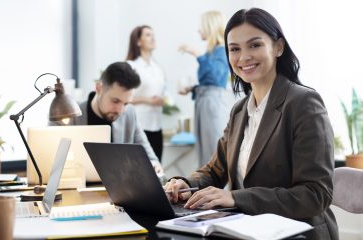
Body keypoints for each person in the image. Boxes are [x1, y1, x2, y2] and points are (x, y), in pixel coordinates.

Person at [165, 8, 338, 239]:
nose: (243, 57)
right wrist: (183, 184)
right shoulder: (240, 110)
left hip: (297, 232)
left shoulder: (304, 103)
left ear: (278, 47)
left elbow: (315, 195)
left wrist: (236, 197)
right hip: (248, 230)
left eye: (254, 45)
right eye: (234, 49)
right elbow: (215, 170)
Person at [52, 62, 163, 174]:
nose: (120, 110)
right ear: (99, 88)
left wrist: (154, 165)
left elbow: (151, 157)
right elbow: (51, 160)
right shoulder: (68, 115)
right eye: (115, 101)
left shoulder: (129, 114)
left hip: (120, 189)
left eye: (126, 103)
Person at [178, 10, 230, 167]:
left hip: (211, 104)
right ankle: (205, 188)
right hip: (204, 101)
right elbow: (210, 81)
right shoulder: (212, 51)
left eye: (201, 26)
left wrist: (196, 54)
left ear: (210, 27)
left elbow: (215, 77)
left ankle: (217, 190)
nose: (198, 30)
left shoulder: (221, 49)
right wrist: (192, 89)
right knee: (204, 150)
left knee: (212, 150)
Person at [126, 25, 166, 162]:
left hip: (157, 126)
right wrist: (147, 100)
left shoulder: (158, 68)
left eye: (153, 34)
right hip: (140, 126)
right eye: (148, 35)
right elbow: (123, 98)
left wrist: (162, 100)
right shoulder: (131, 66)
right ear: (138, 41)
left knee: (157, 170)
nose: (152, 37)